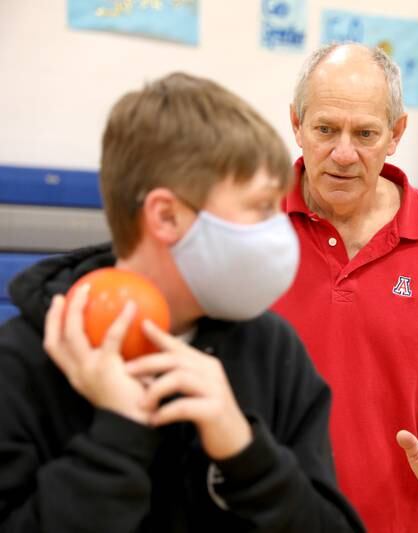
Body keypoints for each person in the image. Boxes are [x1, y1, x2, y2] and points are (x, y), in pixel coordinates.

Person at [0, 73, 364, 532]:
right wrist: (117, 438)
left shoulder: (274, 351)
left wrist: (247, 454)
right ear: (167, 216)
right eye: (260, 207)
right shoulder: (23, 361)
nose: (280, 229)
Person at [271, 44, 418, 532]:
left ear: (396, 134)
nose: (344, 153)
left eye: (366, 133)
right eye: (325, 129)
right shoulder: (249, 220)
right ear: (296, 124)